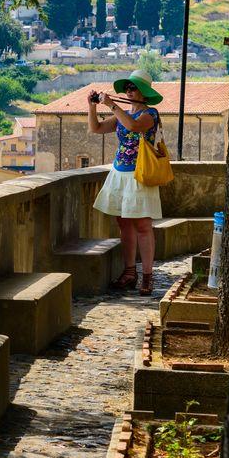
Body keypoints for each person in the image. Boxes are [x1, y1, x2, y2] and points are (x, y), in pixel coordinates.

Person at [87, 69, 163, 295]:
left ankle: (147, 276)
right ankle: (130, 272)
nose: (129, 91)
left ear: (144, 92)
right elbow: (96, 128)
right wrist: (92, 107)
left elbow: (133, 126)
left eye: (133, 88)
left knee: (142, 225)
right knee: (124, 224)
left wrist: (111, 105)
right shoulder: (123, 113)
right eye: (127, 88)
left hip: (140, 174)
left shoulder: (151, 114)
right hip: (120, 173)